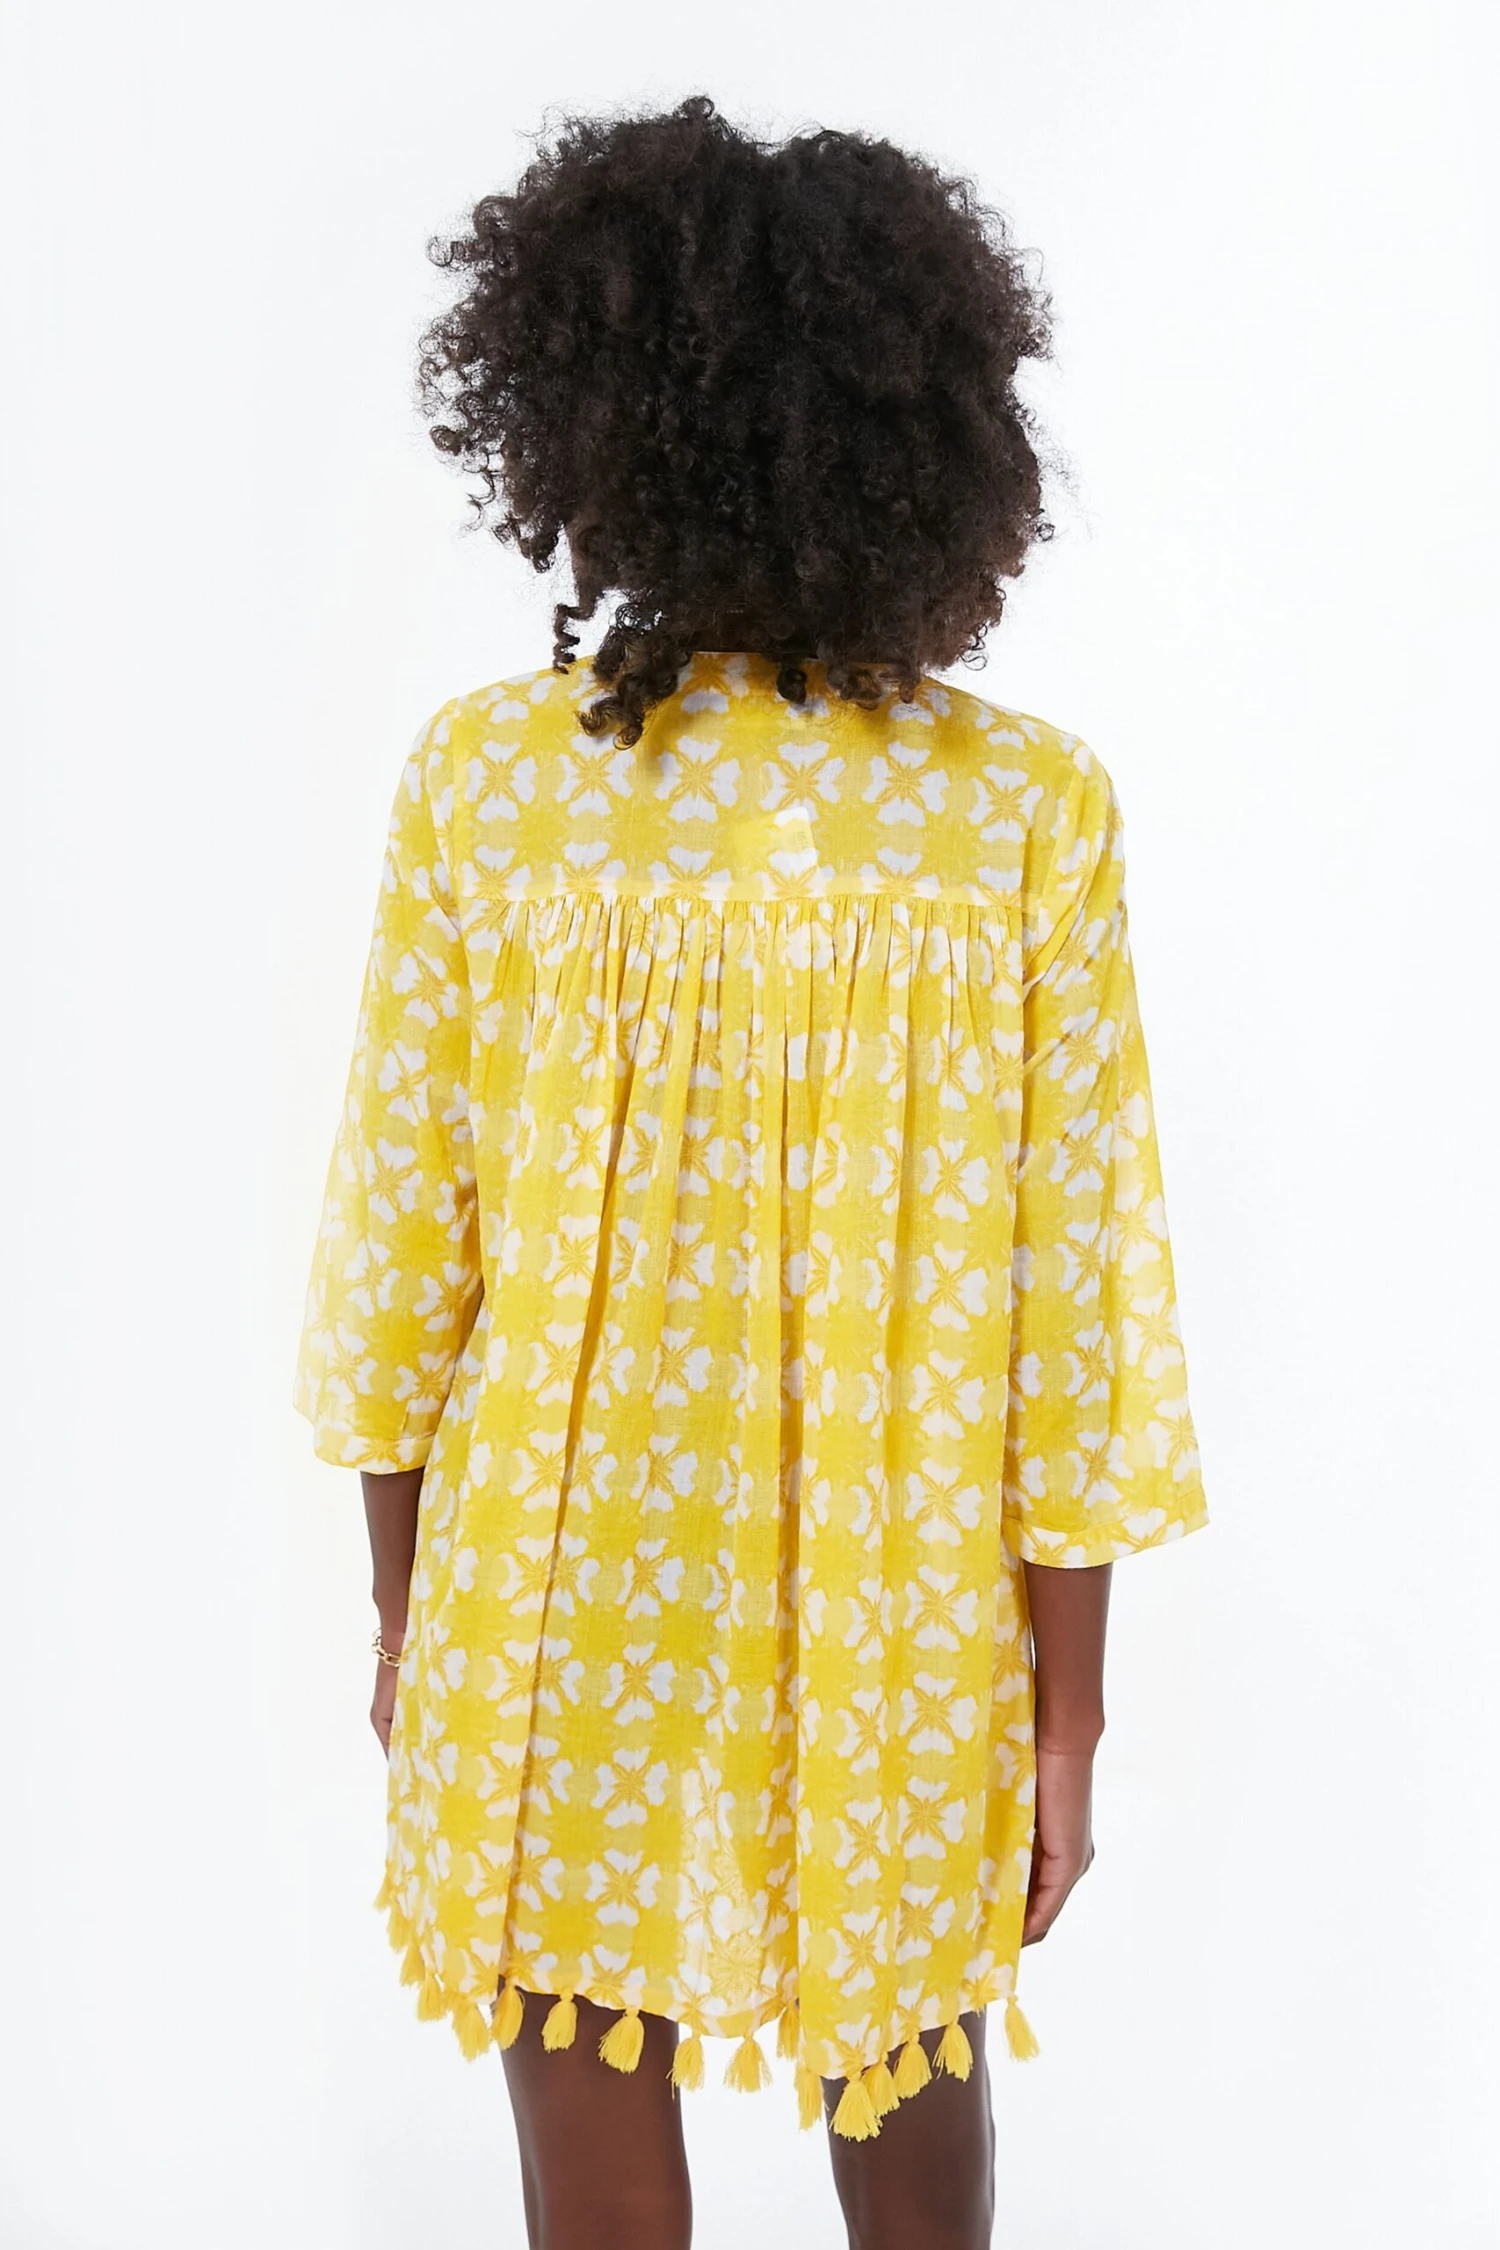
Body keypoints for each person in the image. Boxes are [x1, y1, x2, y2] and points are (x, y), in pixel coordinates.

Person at [293, 93, 1207, 2250]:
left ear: (589, 419)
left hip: (553, 1576)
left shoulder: (492, 788)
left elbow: (400, 1254)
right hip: (904, 1602)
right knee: (919, 2075)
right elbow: (1079, 1308)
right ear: (928, 437)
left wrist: (408, 1617)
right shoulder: (1018, 812)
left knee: (582, 2117)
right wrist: (1068, 1720)